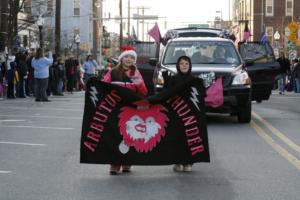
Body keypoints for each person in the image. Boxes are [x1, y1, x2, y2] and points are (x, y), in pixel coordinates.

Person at [103, 45, 148, 175]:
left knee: (129, 135)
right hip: (115, 109)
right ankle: (115, 164)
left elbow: (144, 92)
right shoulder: (112, 72)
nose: (129, 59)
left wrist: (137, 81)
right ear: (121, 59)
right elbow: (103, 87)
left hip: (131, 110)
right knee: (116, 136)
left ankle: (127, 162)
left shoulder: (136, 73)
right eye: (126, 56)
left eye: (132, 57)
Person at [163, 55, 195, 172]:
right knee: (177, 137)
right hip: (177, 113)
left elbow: (200, 97)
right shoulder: (174, 79)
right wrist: (166, 82)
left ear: (190, 65)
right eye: (181, 63)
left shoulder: (194, 80)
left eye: (186, 63)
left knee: (190, 137)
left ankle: (188, 162)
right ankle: (178, 161)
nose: (184, 66)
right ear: (178, 65)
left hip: (190, 114)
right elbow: (166, 94)